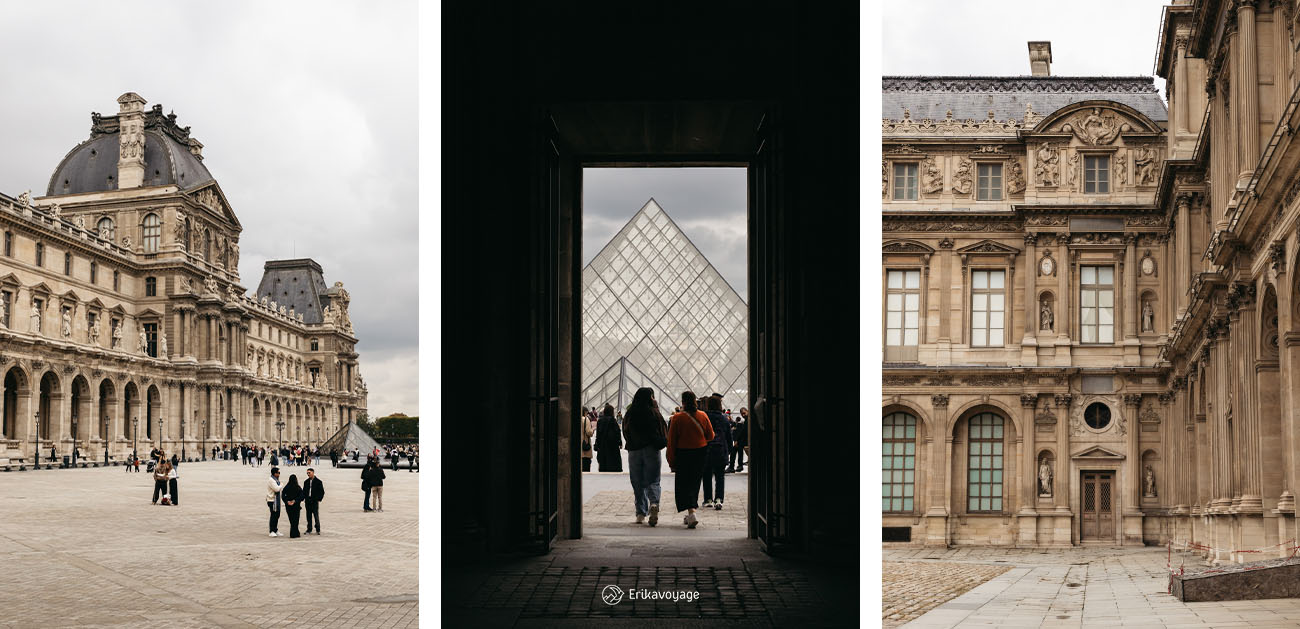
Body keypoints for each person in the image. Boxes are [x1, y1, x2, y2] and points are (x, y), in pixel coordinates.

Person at [666, 391, 713, 529]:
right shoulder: (703, 415)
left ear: (683, 402)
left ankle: (691, 512)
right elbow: (711, 435)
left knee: (682, 484)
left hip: (683, 454)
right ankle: (692, 512)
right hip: (700, 453)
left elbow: (672, 442)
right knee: (694, 482)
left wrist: (671, 459)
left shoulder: (677, 418)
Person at [623, 387, 668, 526]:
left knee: (637, 481)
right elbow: (663, 428)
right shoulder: (653, 412)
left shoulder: (630, 412)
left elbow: (625, 430)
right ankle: (654, 503)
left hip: (634, 450)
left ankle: (640, 513)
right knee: (653, 479)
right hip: (651, 449)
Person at [701, 396, 732, 510]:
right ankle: (719, 499)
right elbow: (729, 437)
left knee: (707, 476)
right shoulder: (724, 418)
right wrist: (728, 451)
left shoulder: (705, 417)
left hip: (707, 450)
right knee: (720, 476)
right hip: (720, 450)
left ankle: (708, 499)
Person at [594, 404, 623, 472]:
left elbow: (598, 434)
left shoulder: (600, 421)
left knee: (603, 462)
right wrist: (620, 442)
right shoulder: (613, 420)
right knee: (613, 462)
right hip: (612, 445)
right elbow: (617, 432)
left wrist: (597, 443)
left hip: (603, 445)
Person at [303, 467, 325, 534]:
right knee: (308, 516)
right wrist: (304, 498)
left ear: (313, 472)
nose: (308, 474)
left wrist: (319, 499)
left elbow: (322, 492)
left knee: (316, 515)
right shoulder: (306, 482)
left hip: (314, 501)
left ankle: (318, 529)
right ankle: (309, 529)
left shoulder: (318, 482)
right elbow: (304, 491)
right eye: (307, 473)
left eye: (309, 473)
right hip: (308, 501)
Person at [282, 474, 304, 538]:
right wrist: (295, 501)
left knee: (291, 520)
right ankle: (295, 533)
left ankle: (294, 533)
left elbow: (283, 496)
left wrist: (287, 501)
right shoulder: (298, 487)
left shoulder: (286, 487)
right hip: (296, 506)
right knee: (296, 520)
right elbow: (302, 496)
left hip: (289, 507)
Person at [730, 407, 749, 472]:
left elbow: (743, 432)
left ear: (747, 411)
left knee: (735, 449)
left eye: (744, 413)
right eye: (742, 414)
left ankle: (733, 466)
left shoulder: (747, 420)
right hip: (745, 440)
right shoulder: (747, 420)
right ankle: (739, 465)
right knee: (738, 449)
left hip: (745, 440)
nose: (743, 415)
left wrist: (737, 440)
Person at [266, 467, 284, 537]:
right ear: (275, 473)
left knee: (277, 515)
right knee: (273, 515)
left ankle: (275, 529)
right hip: (272, 500)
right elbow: (276, 489)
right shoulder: (271, 480)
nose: (279, 474)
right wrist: (281, 485)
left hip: (276, 500)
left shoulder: (275, 480)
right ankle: (272, 530)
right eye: (278, 473)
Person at [581, 407, 595, 472]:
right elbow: (588, 432)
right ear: (585, 412)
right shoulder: (586, 420)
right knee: (585, 468)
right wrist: (592, 431)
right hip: (585, 446)